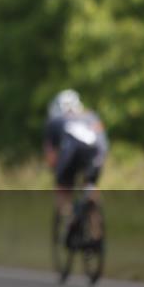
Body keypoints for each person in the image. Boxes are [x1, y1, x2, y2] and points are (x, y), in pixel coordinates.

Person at [43, 89, 108, 227]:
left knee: (64, 187)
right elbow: (102, 143)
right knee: (90, 185)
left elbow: (51, 154)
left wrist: (56, 174)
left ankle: (69, 219)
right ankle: (96, 228)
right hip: (95, 153)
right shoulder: (91, 116)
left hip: (70, 154)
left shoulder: (55, 120)